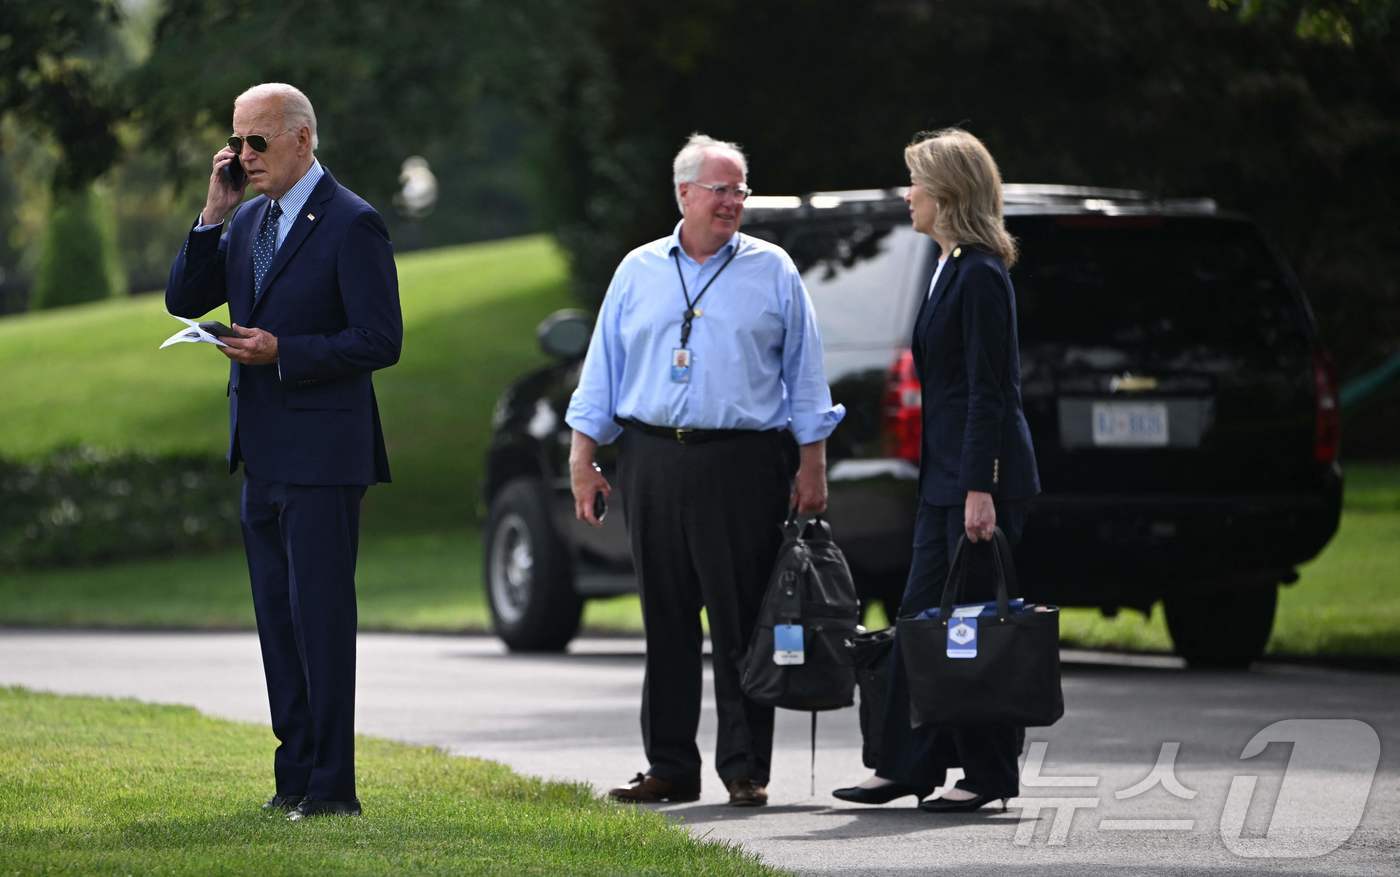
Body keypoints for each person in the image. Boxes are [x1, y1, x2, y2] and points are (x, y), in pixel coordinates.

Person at [566, 133, 845, 808]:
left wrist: (813, 460)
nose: (732, 202)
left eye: (740, 189)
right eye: (719, 189)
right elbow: (604, 367)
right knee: (664, 617)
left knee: (742, 618)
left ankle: (744, 766)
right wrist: (583, 457)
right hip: (653, 457)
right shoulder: (637, 270)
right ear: (684, 193)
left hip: (743, 461)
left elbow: (805, 372)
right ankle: (669, 765)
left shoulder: (773, 270)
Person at [165, 83, 402, 821]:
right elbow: (184, 297)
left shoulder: (353, 223)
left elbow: (379, 339)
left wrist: (283, 350)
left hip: (325, 457)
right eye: (236, 141)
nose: (243, 155)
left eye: (257, 142)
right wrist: (213, 211)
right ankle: (294, 775)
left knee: (320, 620)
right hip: (261, 453)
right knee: (276, 620)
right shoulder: (246, 220)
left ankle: (334, 787)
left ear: (303, 138)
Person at [833, 128, 1040, 813]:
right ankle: (905, 764)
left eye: (916, 182)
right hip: (944, 481)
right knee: (924, 619)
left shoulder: (981, 272)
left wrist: (981, 487)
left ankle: (987, 772)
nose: (907, 194)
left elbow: (991, 390)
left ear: (947, 193)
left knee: (970, 627)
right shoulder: (948, 264)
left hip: (977, 485)